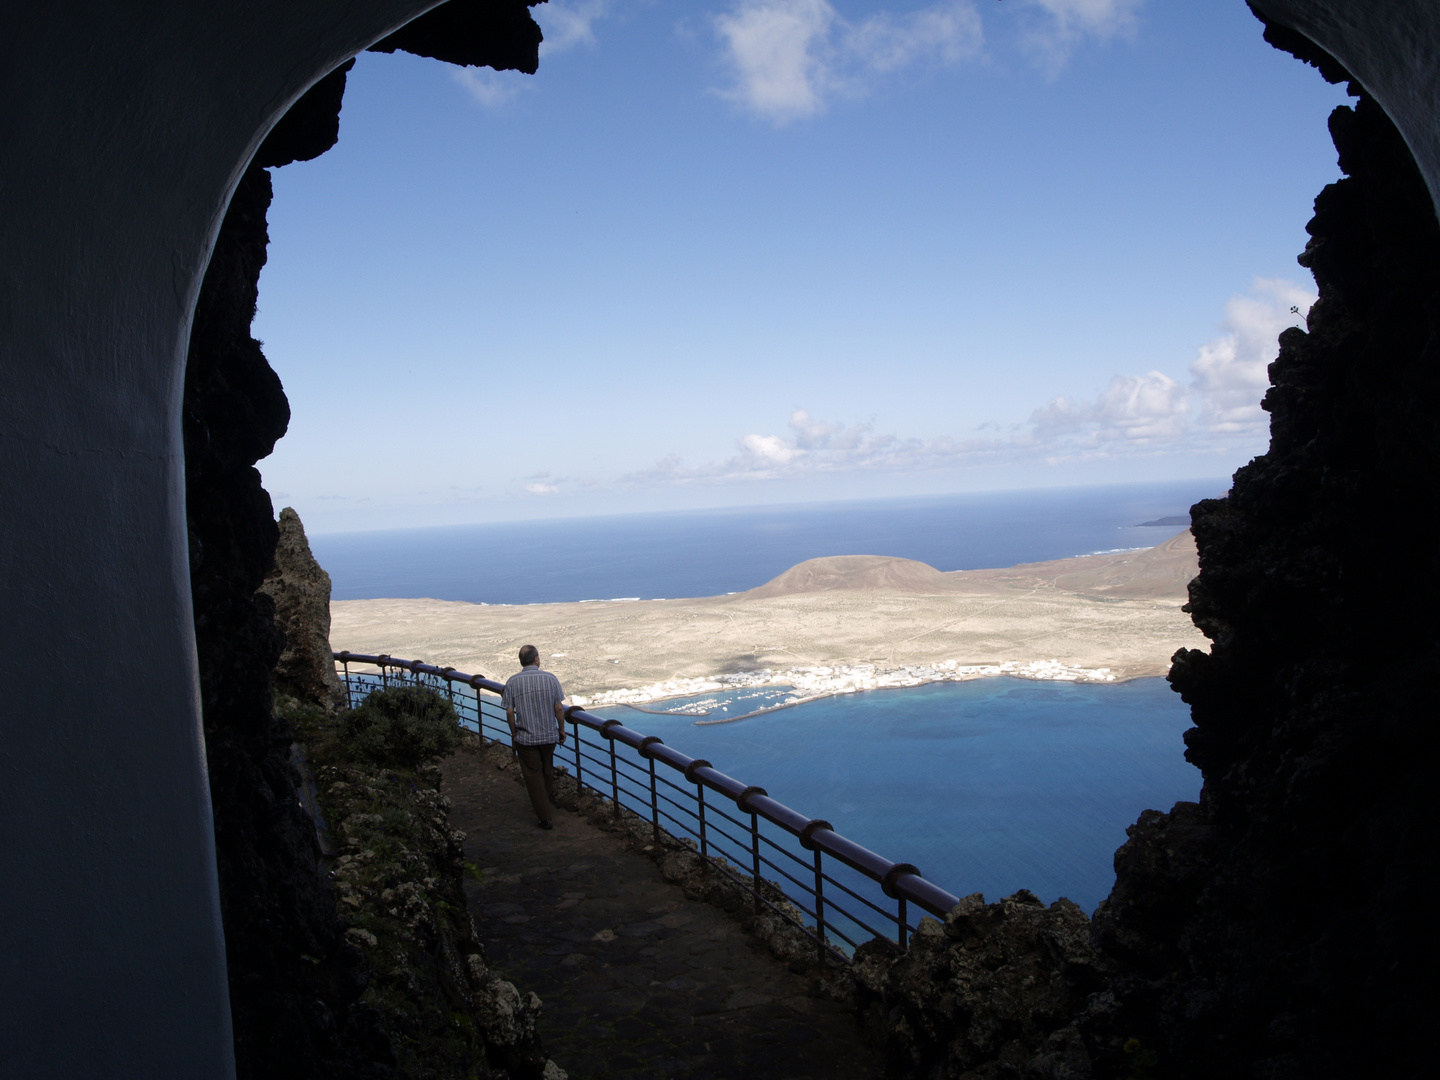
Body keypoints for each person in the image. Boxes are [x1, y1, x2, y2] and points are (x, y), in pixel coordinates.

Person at [500, 644, 567, 830]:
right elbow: (559, 708)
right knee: (547, 770)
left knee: (533, 775)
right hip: (549, 736)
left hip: (526, 739)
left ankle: (544, 817)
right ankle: (547, 802)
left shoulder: (512, 682)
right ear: (536, 659)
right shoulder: (551, 679)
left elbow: (510, 712)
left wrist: (514, 733)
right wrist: (561, 729)